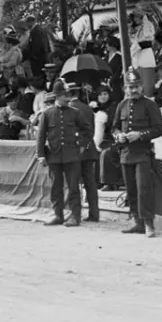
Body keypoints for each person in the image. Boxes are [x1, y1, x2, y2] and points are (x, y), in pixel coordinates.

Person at [111, 68, 162, 237]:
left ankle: (148, 223)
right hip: (126, 154)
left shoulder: (150, 105)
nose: (132, 90)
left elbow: (159, 129)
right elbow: (113, 127)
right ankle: (137, 222)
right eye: (129, 87)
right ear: (124, 88)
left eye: (135, 86)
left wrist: (140, 135)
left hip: (143, 154)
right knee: (131, 190)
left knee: (144, 189)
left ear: (141, 87)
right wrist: (118, 135)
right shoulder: (122, 105)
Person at [35, 80, 93, 227]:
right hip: (54, 155)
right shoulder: (47, 114)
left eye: (68, 94)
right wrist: (41, 154)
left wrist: (82, 146)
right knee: (56, 188)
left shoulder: (75, 113)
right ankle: (58, 215)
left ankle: (75, 216)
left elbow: (88, 130)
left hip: (72, 155)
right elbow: (41, 136)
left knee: (73, 187)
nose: (67, 97)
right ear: (57, 96)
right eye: (63, 95)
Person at [68, 82, 99, 222]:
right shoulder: (87, 108)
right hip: (89, 148)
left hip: (76, 149)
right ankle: (94, 213)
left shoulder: (69, 109)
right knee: (90, 182)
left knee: (74, 182)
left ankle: (76, 214)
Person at [91, 85, 122, 191]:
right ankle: (97, 181)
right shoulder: (98, 108)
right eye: (100, 95)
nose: (103, 97)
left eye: (105, 94)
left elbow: (114, 127)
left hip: (114, 139)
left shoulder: (114, 107)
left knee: (106, 153)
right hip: (103, 140)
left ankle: (110, 183)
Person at [129, 8, 157, 98]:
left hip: (146, 54)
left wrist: (145, 21)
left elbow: (148, 36)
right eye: (134, 17)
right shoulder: (132, 28)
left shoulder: (148, 25)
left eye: (138, 17)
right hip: (136, 56)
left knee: (147, 85)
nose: (136, 19)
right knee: (138, 83)